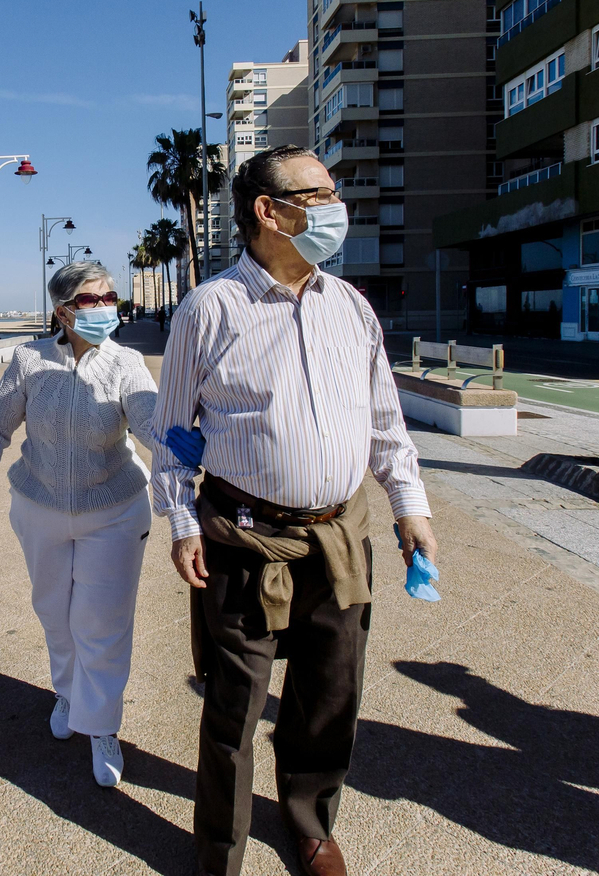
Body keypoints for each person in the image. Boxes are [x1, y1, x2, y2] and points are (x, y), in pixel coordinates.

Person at [150, 145, 438, 876]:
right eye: (318, 193)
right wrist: (182, 522)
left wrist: (409, 508)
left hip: (340, 537)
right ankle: (219, 849)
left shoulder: (352, 308)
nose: (336, 206)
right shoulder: (210, 309)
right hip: (244, 538)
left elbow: (385, 424)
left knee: (328, 698)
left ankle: (309, 825)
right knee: (233, 710)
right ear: (268, 211)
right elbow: (174, 434)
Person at [0, 261, 158, 787]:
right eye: (92, 300)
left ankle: (101, 727)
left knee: (102, 623)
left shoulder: (127, 362)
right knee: (55, 612)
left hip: (113, 509)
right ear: (63, 310)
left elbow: (148, 418)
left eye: (110, 296)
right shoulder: (29, 361)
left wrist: (176, 442)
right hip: (40, 506)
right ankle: (68, 693)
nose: (106, 307)